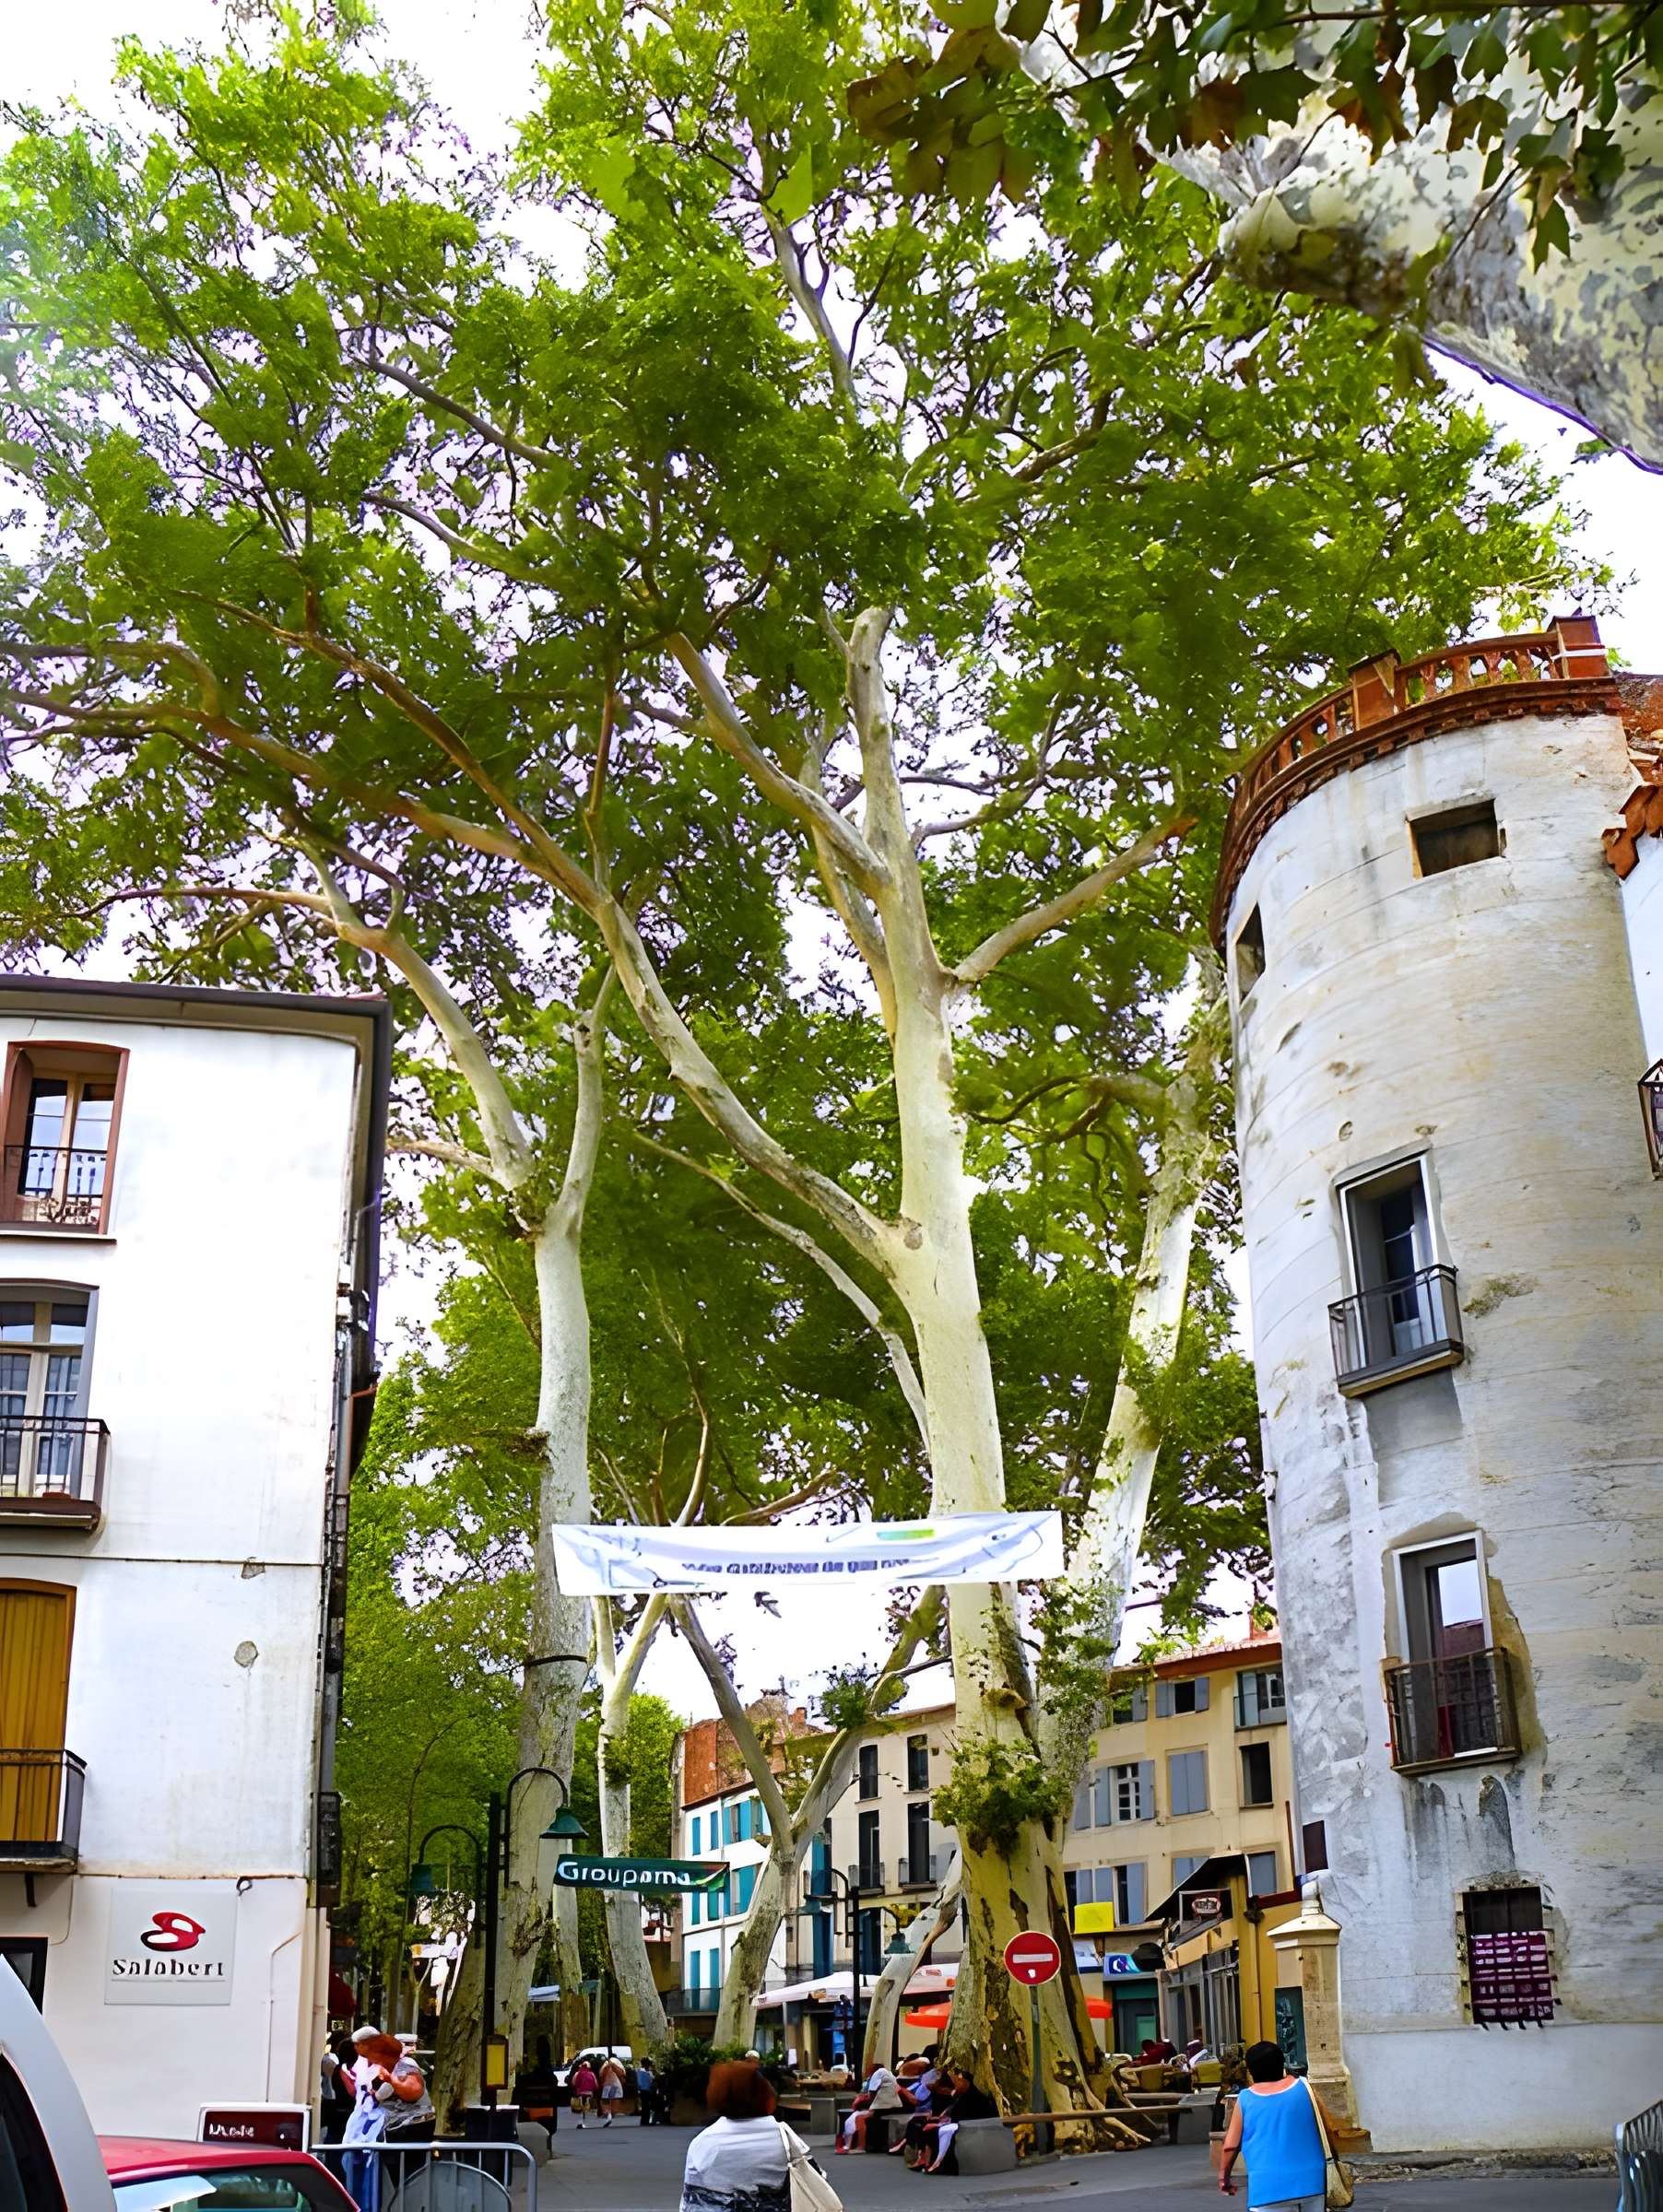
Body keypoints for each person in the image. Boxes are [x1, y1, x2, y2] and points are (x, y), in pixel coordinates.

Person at [681, 2059, 818, 2212]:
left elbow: (690, 2202)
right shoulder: (784, 2139)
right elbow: (814, 2181)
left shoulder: (702, 2143)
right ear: (764, 2094)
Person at [1218, 2040, 1340, 2209]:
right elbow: (1327, 2130)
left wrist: (1224, 2178)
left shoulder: (1245, 2099)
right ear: (1282, 2064)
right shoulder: (1305, 2088)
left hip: (1267, 2187)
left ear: (1251, 2071)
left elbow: (1230, 2146)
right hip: (1312, 2183)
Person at [917, 2069, 997, 2176]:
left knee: (937, 2131)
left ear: (964, 2081)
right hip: (962, 2126)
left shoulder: (974, 2098)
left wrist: (939, 2124)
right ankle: (928, 2161)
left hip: (970, 2129)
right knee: (926, 2128)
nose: (955, 2084)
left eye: (956, 2081)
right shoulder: (963, 2096)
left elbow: (962, 2119)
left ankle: (938, 2163)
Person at [836, 2060, 904, 2154]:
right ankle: (850, 2144)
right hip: (894, 2106)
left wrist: (870, 2108)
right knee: (856, 2116)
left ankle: (860, 2146)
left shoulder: (878, 2074)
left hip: (884, 2107)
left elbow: (872, 2093)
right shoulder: (889, 2074)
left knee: (859, 2118)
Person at [320, 2031, 358, 2144]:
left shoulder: (338, 2069)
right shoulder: (347, 2071)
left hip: (338, 2114)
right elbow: (352, 2092)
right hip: (347, 2114)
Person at [597, 2052, 631, 2127]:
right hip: (615, 2085)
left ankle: (609, 2116)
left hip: (607, 2086)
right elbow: (622, 2073)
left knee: (608, 2103)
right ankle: (610, 2116)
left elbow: (601, 2074)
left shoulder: (607, 2063)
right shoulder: (616, 2062)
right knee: (612, 2103)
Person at [569, 2054, 599, 2127]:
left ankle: (580, 2121)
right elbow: (596, 2084)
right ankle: (586, 2118)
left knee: (580, 2106)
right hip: (589, 2092)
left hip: (580, 2092)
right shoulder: (591, 2073)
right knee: (587, 2105)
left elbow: (573, 2083)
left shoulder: (577, 2073)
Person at [636, 2055, 658, 2125]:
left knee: (645, 2106)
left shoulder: (640, 2071)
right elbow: (651, 2081)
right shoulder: (646, 2072)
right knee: (646, 2106)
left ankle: (644, 2121)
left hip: (643, 2090)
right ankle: (645, 2121)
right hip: (646, 2091)